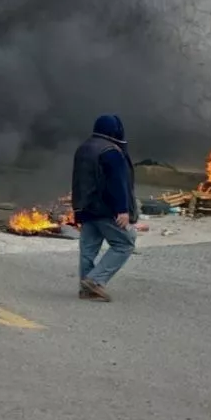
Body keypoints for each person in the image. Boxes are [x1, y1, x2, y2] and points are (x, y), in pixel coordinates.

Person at [71, 114, 138, 302]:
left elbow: (77, 181)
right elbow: (117, 183)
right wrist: (122, 210)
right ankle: (94, 280)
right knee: (125, 243)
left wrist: (77, 209)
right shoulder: (111, 151)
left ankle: (85, 289)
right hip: (105, 209)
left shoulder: (83, 147)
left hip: (85, 208)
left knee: (88, 250)